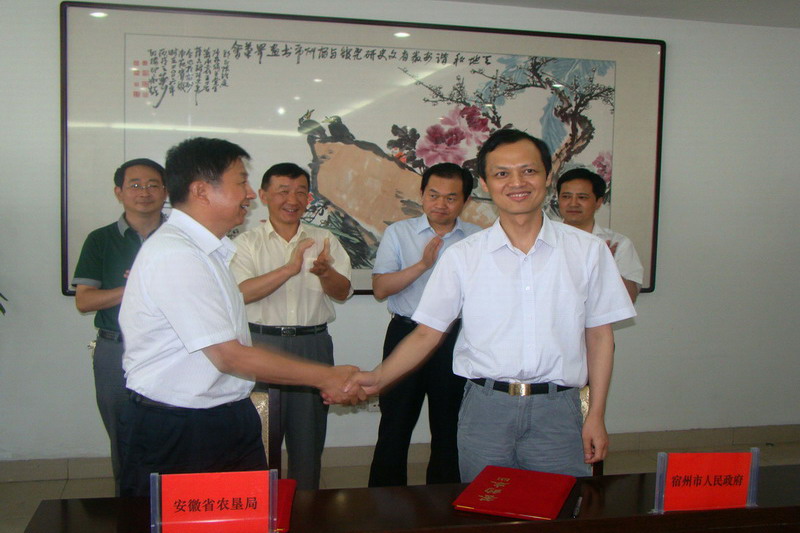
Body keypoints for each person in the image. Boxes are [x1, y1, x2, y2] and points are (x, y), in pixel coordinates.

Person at [343, 129, 636, 481]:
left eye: (529, 171)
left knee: (558, 503)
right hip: (485, 409)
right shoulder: (464, 256)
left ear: (547, 176)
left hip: (559, 410)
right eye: (502, 173)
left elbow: (600, 336)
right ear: (485, 183)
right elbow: (426, 334)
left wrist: (596, 415)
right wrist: (377, 378)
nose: (517, 182)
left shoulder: (588, 251)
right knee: (484, 502)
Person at [118, 138, 363, 497]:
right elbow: (228, 355)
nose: (249, 194)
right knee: (187, 516)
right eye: (241, 182)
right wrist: (327, 376)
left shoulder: (210, 250)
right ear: (201, 190)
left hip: (223, 413)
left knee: (248, 510)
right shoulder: (177, 255)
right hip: (182, 425)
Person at [229, 162, 353, 490]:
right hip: (260, 345)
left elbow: (343, 292)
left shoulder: (324, 239)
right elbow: (241, 293)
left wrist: (325, 273)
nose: (292, 199)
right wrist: (289, 269)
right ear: (264, 195)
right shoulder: (245, 243)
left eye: (300, 192)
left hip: (312, 344)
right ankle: (258, 505)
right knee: (257, 438)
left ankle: (305, 506)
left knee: (308, 440)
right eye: (283, 191)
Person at [368, 162, 480, 487]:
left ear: (465, 201)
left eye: (451, 197)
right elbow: (380, 288)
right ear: (421, 194)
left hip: (455, 338)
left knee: (449, 426)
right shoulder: (399, 233)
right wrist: (422, 265)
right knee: (395, 424)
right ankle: (383, 501)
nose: (440, 204)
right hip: (406, 333)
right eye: (433, 195)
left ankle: (443, 501)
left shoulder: (478, 238)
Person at [71, 158, 167, 493]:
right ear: (119, 192)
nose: (144, 192)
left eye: (153, 185)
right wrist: (134, 288)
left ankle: (170, 509)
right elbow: (85, 301)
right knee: (124, 438)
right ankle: (129, 508)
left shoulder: (182, 238)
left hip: (171, 347)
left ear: (166, 191)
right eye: (135, 185)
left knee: (174, 433)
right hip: (116, 349)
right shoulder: (100, 240)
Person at [557, 168, 644, 303]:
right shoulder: (541, 239)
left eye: (582, 197)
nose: (573, 203)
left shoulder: (618, 243)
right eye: (566, 197)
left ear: (598, 202)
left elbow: (629, 298)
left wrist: (605, 265)